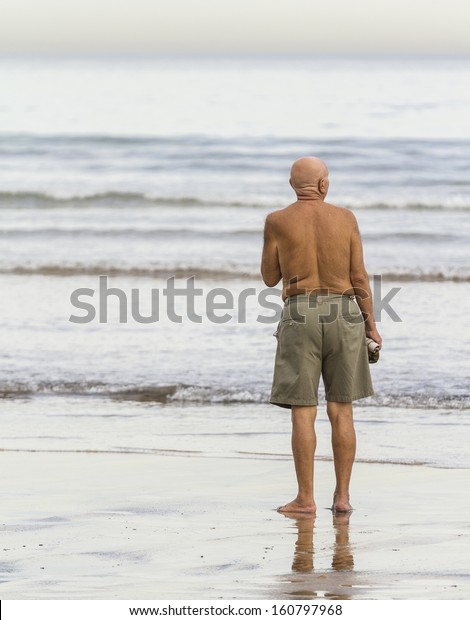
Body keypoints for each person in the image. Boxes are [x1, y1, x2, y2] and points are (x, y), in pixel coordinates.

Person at [261, 157, 382, 514]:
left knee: (303, 410)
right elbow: (359, 277)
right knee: (341, 409)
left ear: (292, 185)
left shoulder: (277, 221)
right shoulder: (346, 219)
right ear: (324, 185)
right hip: (345, 312)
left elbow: (269, 277)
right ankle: (342, 498)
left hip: (301, 313)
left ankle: (305, 499)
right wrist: (371, 325)